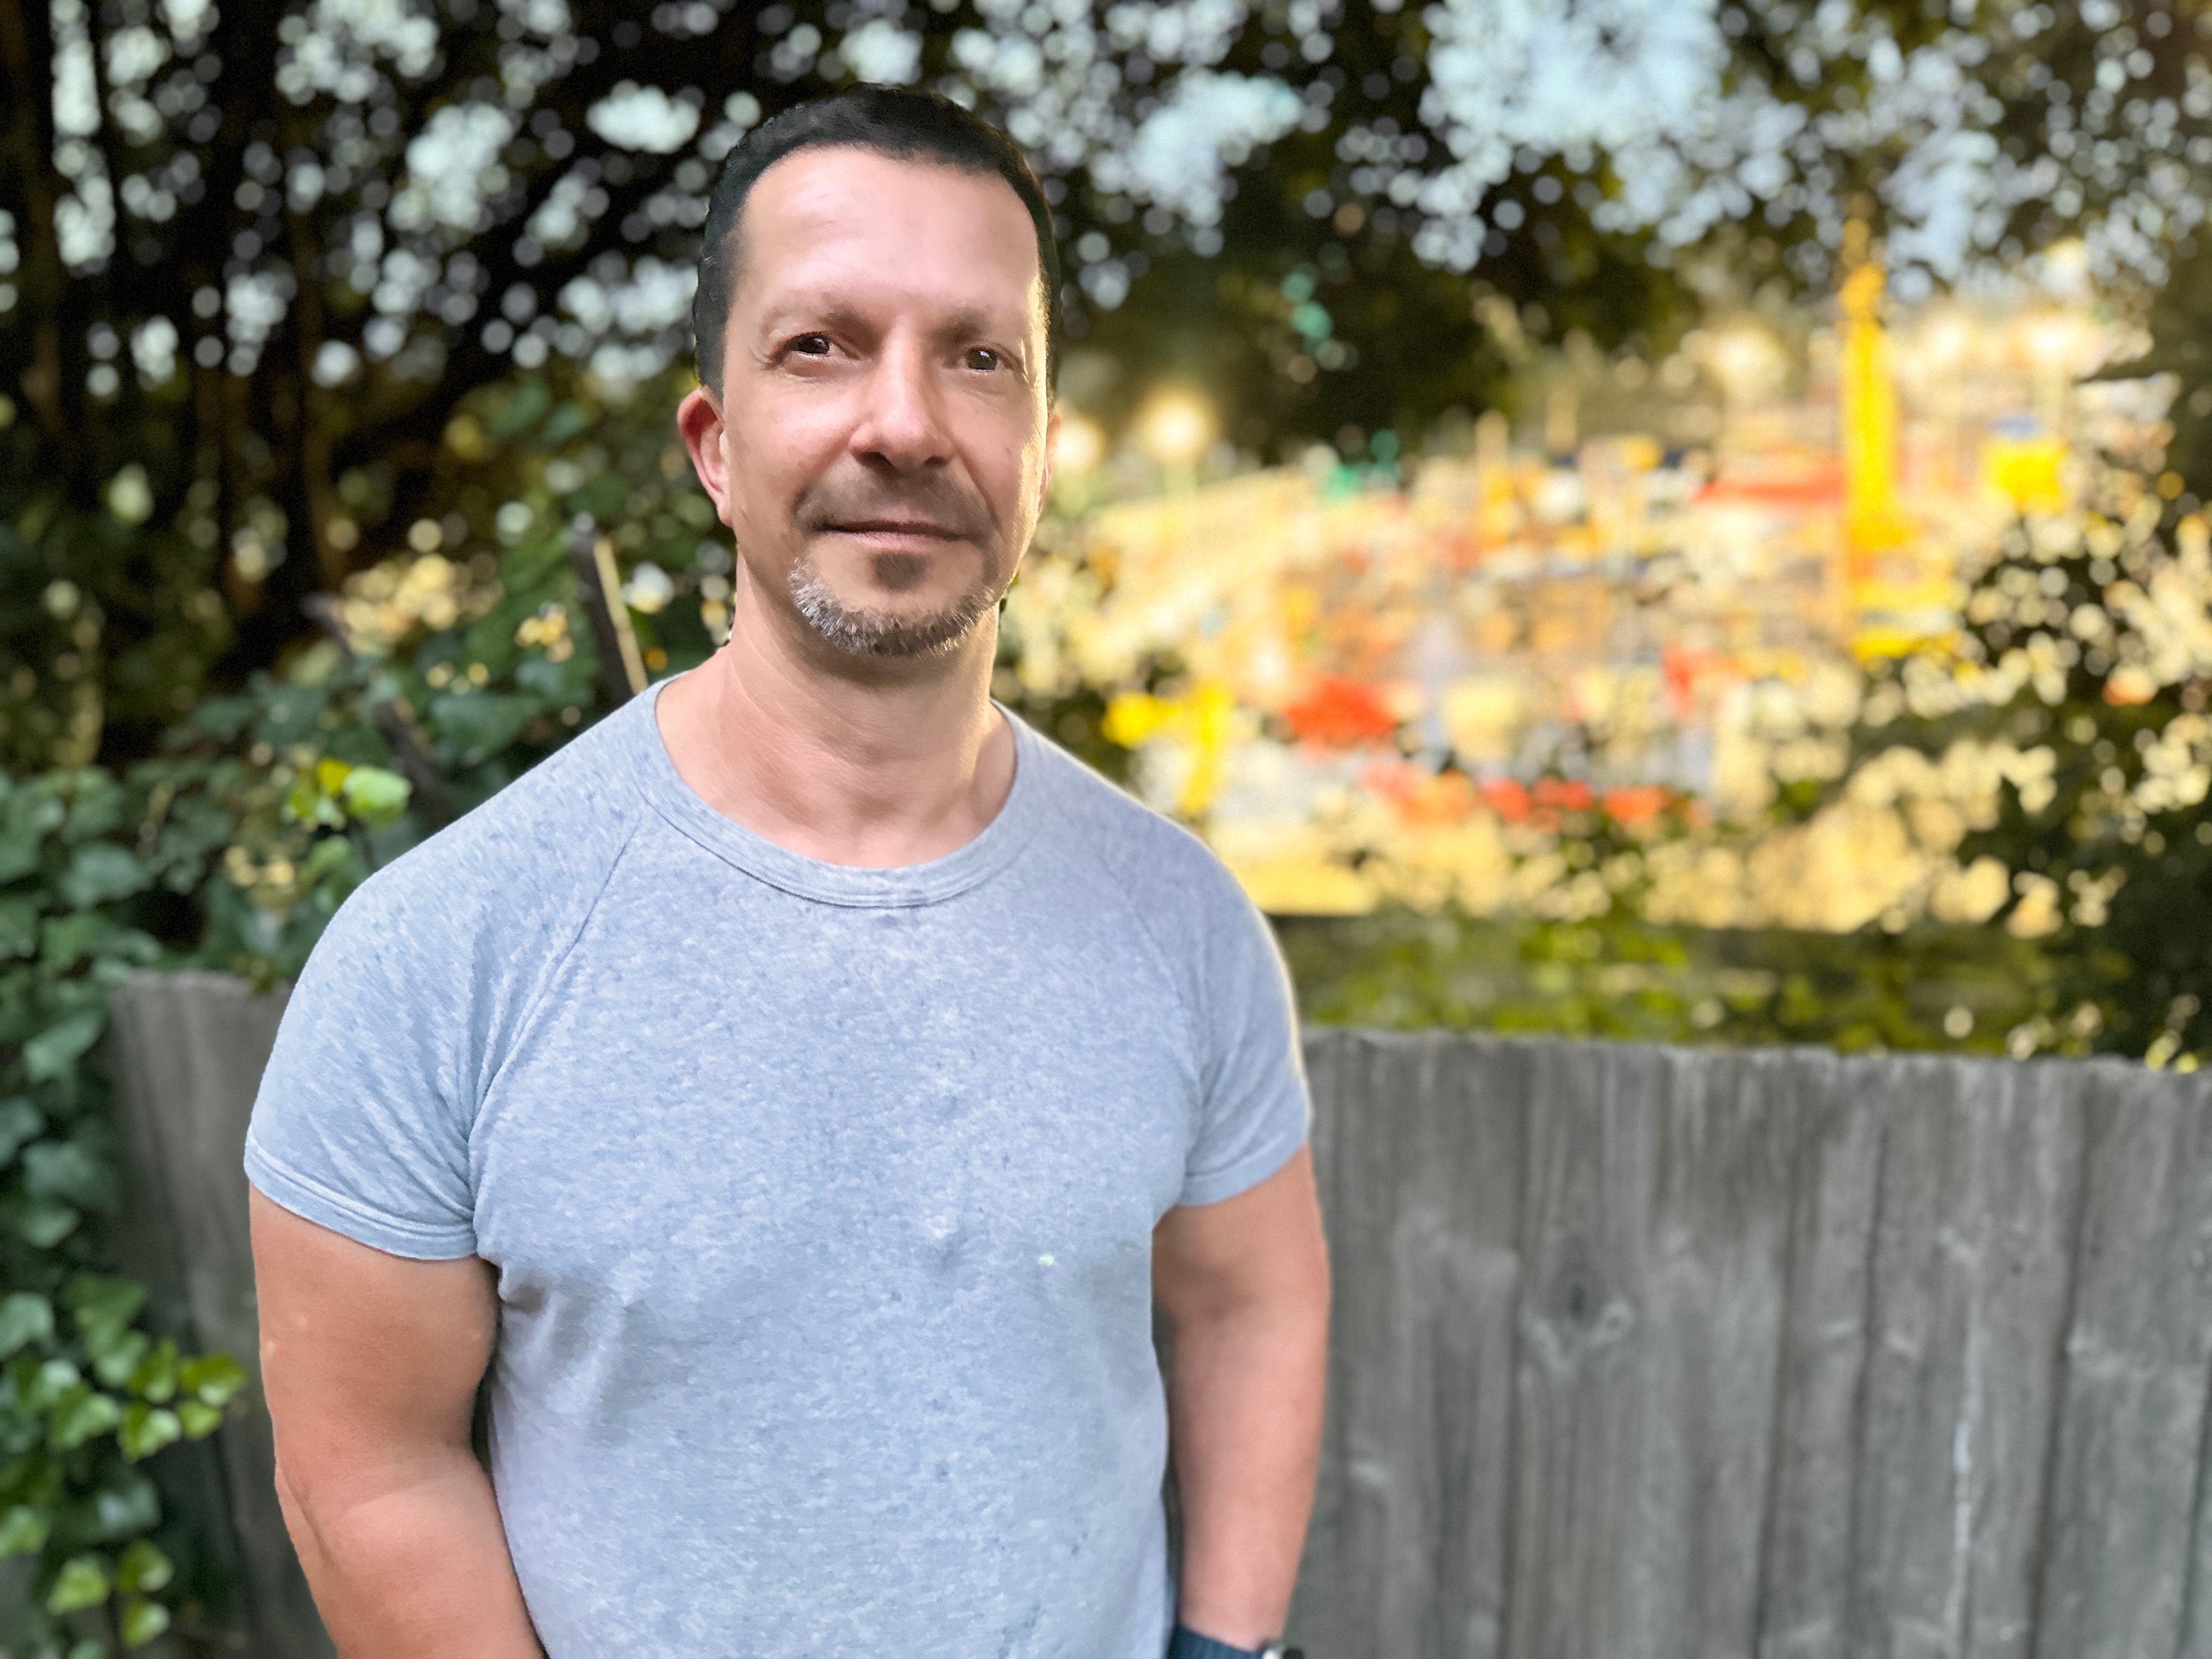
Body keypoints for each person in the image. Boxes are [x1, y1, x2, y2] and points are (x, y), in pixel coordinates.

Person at [245, 86, 1329, 1659]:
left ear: (1035, 447)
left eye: (979, 356)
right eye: (821, 345)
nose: (906, 419)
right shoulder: (441, 954)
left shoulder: (1184, 925)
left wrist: (1224, 1654)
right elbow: (367, 1472)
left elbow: (1251, 1305)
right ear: (714, 441)